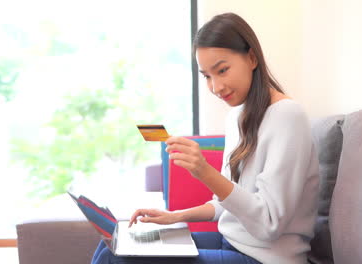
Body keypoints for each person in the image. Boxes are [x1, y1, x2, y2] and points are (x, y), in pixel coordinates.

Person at [92, 12, 319, 264]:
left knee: (117, 261)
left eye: (222, 70)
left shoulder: (287, 116)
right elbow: (228, 204)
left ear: (252, 57)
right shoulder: (237, 117)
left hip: (267, 258)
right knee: (114, 245)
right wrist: (174, 216)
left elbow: (268, 224)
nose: (216, 87)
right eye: (207, 76)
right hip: (231, 242)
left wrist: (204, 171)